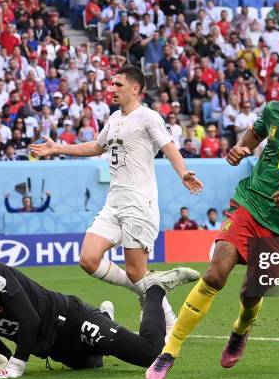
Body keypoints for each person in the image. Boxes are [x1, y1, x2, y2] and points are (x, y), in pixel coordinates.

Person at [146, 51, 279, 379]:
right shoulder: (273, 111)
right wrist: (240, 148)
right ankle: (169, 351)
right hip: (249, 203)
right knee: (215, 274)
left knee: (251, 294)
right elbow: (252, 137)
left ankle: (240, 329)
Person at [30, 65, 203, 339]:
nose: (112, 89)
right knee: (88, 259)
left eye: (118, 84)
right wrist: (57, 148)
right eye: (112, 84)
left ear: (135, 88)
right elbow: (97, 147)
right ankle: (155, 286)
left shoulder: (148, 117)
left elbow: (169, 147)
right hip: (114, 203)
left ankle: (170, 321)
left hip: (138, 204)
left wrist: (183, 173)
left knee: (136, 272)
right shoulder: (113, 118)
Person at [0, 252, 200, 379]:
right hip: (56, 349)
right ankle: (106, 317)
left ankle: (154, 289)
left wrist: (16, 367)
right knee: (93, 365)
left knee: (151, 356)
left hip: (72, 319)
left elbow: (29, 320)